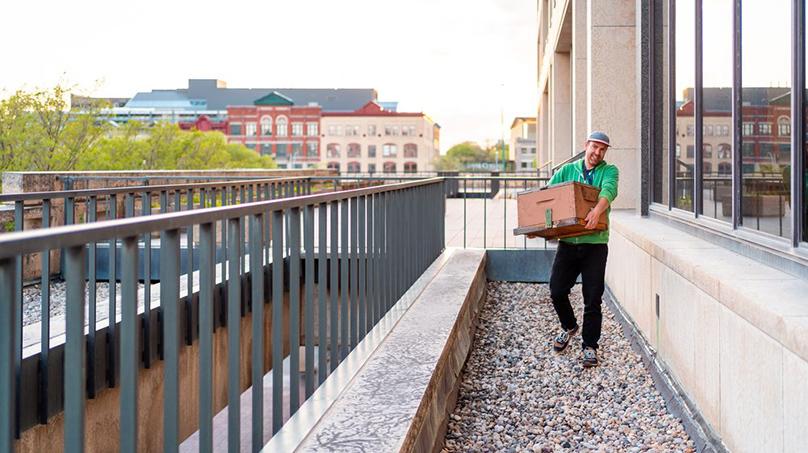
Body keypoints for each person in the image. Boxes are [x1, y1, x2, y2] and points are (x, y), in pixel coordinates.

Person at [547, 131, 618, 368]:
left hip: (595, 244)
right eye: (594, 147)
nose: (597, 153)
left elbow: (609, 190)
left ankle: (590, 346)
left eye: (602, 149)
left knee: (592, 297)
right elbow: (549, 195)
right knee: (557, 290)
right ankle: (569, 326)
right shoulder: (567, 170)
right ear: (585, 145)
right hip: (568, 243)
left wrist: (597, 210)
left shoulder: (609, 171)